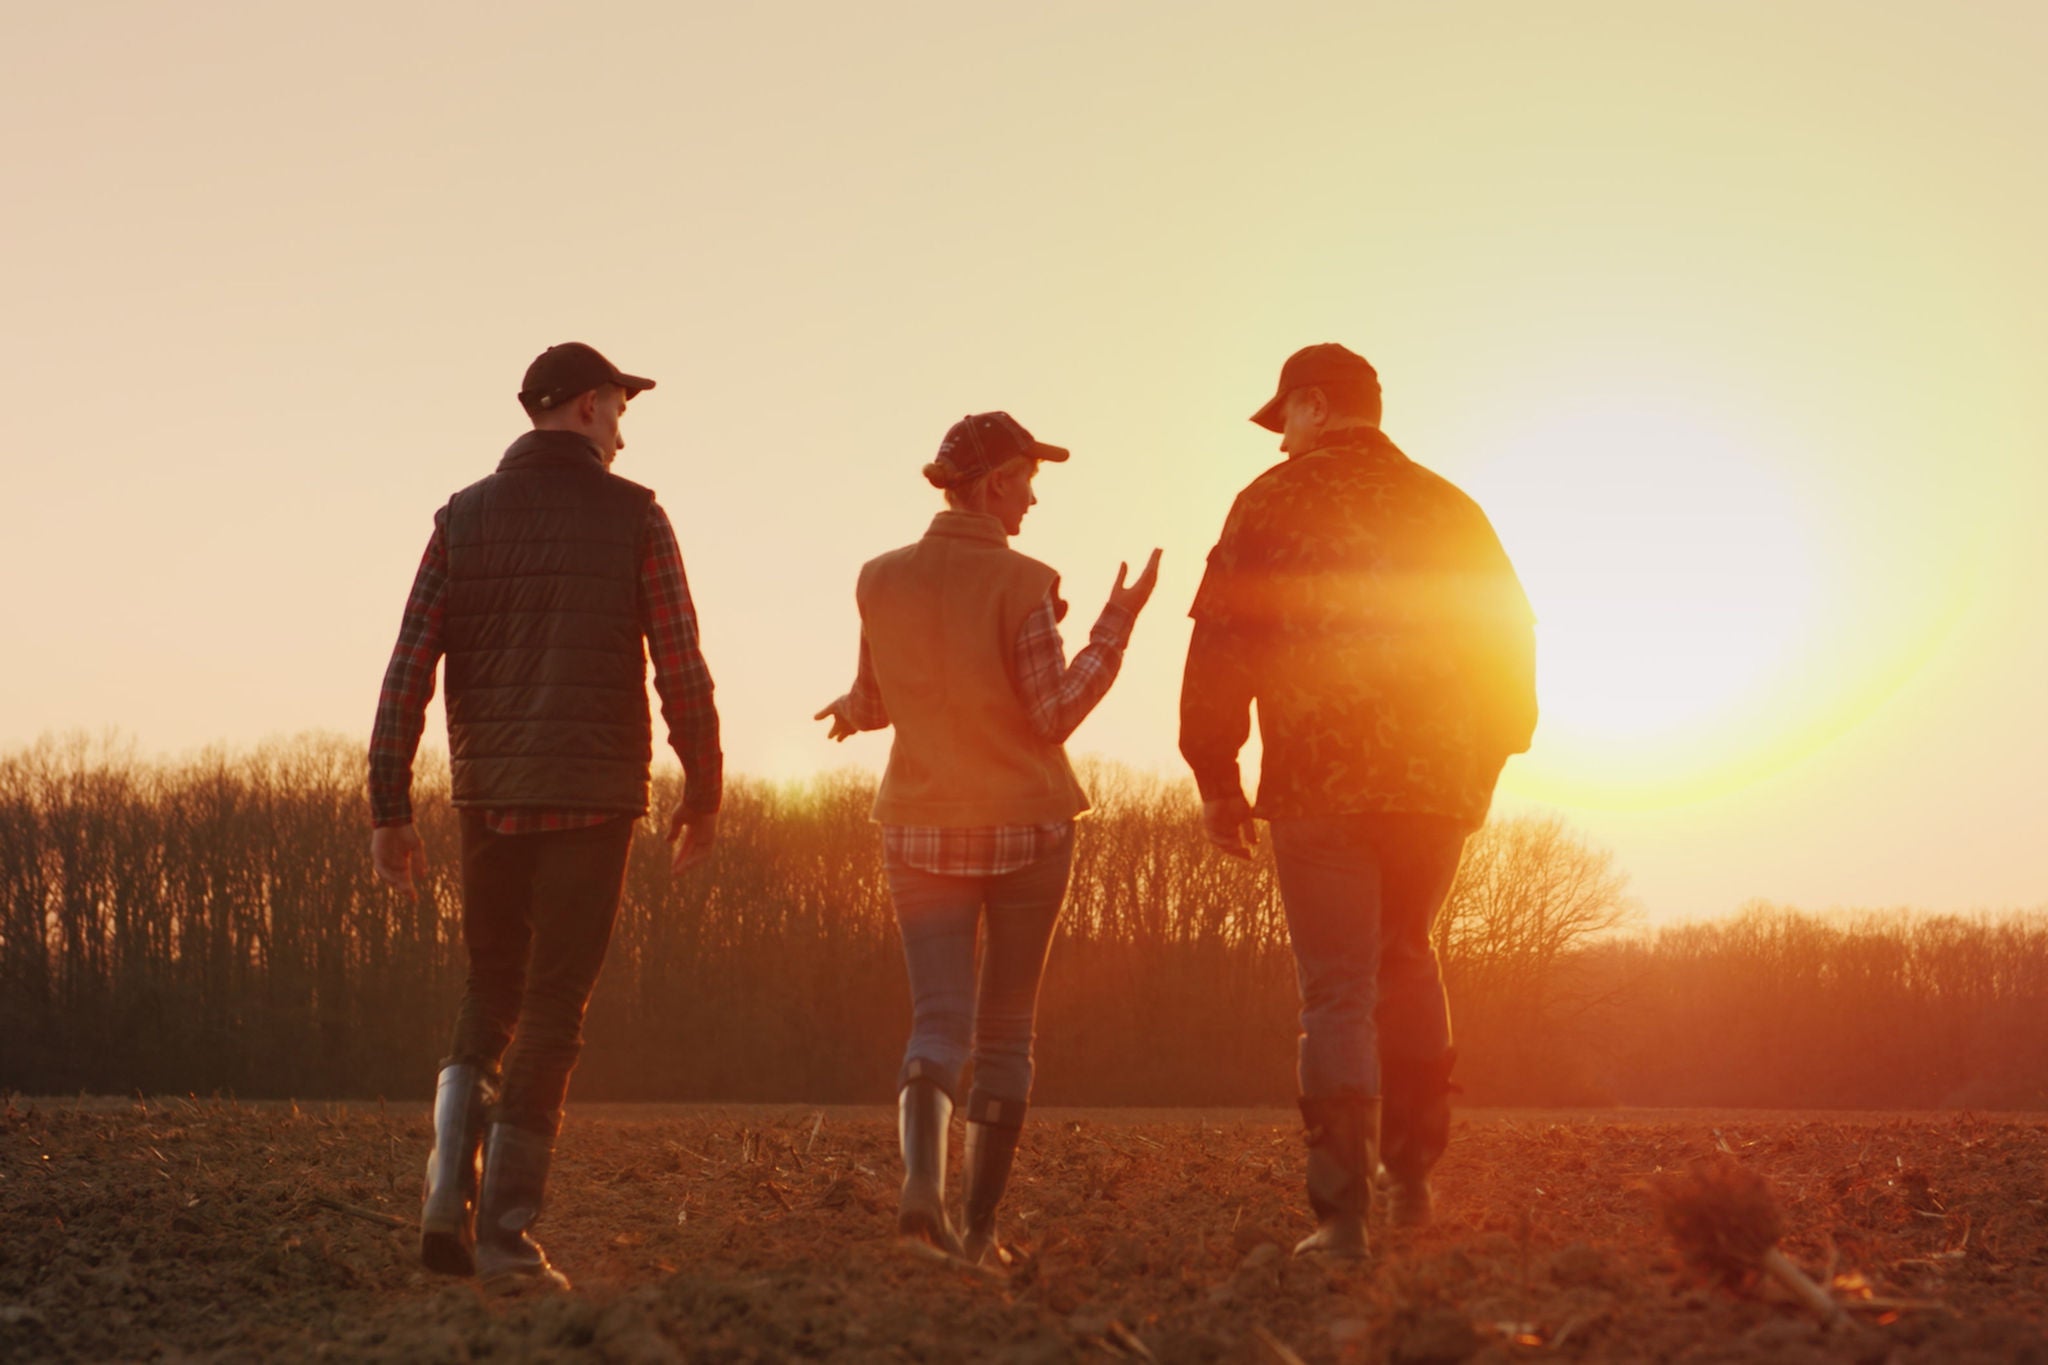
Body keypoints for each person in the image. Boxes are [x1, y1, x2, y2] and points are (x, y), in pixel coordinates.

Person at [368, 342, 723, 1293]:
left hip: (489, 793)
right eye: (617, 407)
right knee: (557, 1004)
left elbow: (410, 665)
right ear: (584, 408)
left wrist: (389, 804)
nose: (622, 428)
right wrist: (705, 785)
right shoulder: (636, 516)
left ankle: (448, 1183)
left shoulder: (461, 518)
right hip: (596, 793)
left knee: (491, 986)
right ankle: (507, 1233)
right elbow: (679, 661)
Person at [1179, 344, 1536, 1259]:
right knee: (1408, 957)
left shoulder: (1270, 501)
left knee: (1336, 992)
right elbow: (1510, 640)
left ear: (1313, 405)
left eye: (1284, 420)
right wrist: (1487, 758)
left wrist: (1216, 774)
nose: (1282, 439)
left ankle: (1342, 1220)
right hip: (1434, 787)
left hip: (1318, 782)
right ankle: (1410, 1181)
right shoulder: (1451, 507)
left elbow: (1222, 640)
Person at [816, 412, 1160, 1263]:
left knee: (937, 1023)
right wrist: (1114, 626)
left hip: (918, 825)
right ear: (997, 480)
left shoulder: (878, 578)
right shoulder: (1025, 583)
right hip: (1025, 829)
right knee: (1006, 1032)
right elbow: (1053, 713)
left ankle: (920, 1186)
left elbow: (878, 694)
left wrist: (851, 715)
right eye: (1028, 479)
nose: (1035, 497)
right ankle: (978, 1231)